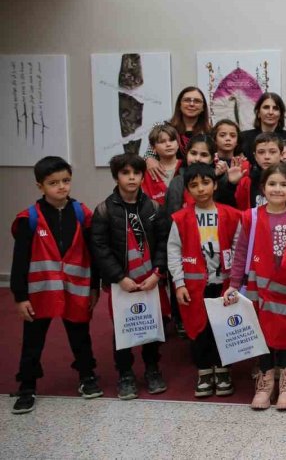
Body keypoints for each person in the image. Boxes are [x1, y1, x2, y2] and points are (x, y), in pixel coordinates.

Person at [10, 156, 102, 414]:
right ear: (40, 186)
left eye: (66, 181)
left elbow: (92, 253)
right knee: (33, 341)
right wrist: (20, 297)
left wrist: (95, 286)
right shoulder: (29, 218)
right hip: (40, 294)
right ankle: (27, 387)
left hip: (76, 289)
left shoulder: (81, 213)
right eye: (53, 183)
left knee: (80, 337)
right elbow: (19, 261)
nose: (61, 187)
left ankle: (87, 377)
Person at [226, 163, 286, 410]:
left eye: (284, 184)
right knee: (260, 335)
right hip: (257, 287)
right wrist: (233, 284)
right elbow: (240, 252)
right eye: (272, 184)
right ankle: (265, 382)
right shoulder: (251, 216)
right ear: (263, 187)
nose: (277, 189)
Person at [90, 153, 170, 400]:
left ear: (143, 176)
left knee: (152, 325)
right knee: (124, 328)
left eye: (136, 173)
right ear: (116, 177)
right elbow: (100, 249)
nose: (132, 178)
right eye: (125, 173)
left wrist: (158, 272)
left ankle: (152, 368)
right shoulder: (104, 210)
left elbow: (164, 243)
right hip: (123, 282)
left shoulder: (153, 207)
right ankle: (125, 373)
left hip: (150, 279)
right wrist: (118, 277)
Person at [167, 163, 242, 398]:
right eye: (194, 185)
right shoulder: (180, 218)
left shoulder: (231, 215)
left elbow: (240, 250)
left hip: (224, 285)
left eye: (205, 183)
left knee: (222, 327)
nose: (200, 189)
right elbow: (173, 252)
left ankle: (222, 370)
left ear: (215, 184)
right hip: (193, 287)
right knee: (198, 330)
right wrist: (178, 283)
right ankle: (203, 371)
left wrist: (237, 283)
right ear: (188, 190)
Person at [145, 87, 212, 182]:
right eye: (187, 100)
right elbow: (150, 153)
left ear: (203, 107)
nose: (191, 104)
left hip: (199, 183)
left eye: (197, 101)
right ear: (179, 105)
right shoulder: (162, 127)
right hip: (166, 180)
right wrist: (149, 159)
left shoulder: (210, 133)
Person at [235, 133, 286, 211]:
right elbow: (239, 213)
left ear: (281, 155)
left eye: (272, 152)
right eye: (261, 152)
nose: (267, 157)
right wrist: (231, 184)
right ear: (255, 156)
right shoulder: (246, 183)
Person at [239, 93, 286, 165]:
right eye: (266, 107)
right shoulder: (244, 137)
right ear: (258, 113)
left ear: (281, 114)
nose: (270, 112)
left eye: (275, 108)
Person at [141, 124, 181, 205]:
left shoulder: (186, 166)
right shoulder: (146, 173)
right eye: (162, 142)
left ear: (178, 144)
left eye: (172, 140)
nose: (168, 144)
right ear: (153, 148)